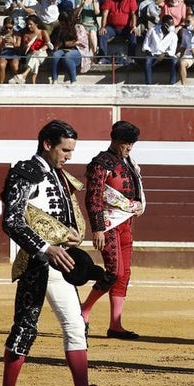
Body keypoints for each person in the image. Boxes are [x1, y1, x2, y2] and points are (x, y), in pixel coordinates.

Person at [0, 120, 116, 386]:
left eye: (72, 150)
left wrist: (69, 235)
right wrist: (44, 247)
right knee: (25, 327)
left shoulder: (58, 174)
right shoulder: (25, 172)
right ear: (47, 144)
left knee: (75, 325)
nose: (69, 156)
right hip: (36, 262)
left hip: (61, 260)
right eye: (65, 150)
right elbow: (12, 221)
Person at [79, 122, 146, 340]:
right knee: (114, 272)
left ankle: (115, 325)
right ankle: (84, 310)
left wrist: (138, 206)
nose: (130, 147)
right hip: (108, 225)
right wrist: (97, 229)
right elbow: (93, 197)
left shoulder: (128, 163)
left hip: (126, 224)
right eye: (126, 143)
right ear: (115, 141)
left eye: (132, 143)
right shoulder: (100, 164)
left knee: (124, 274)